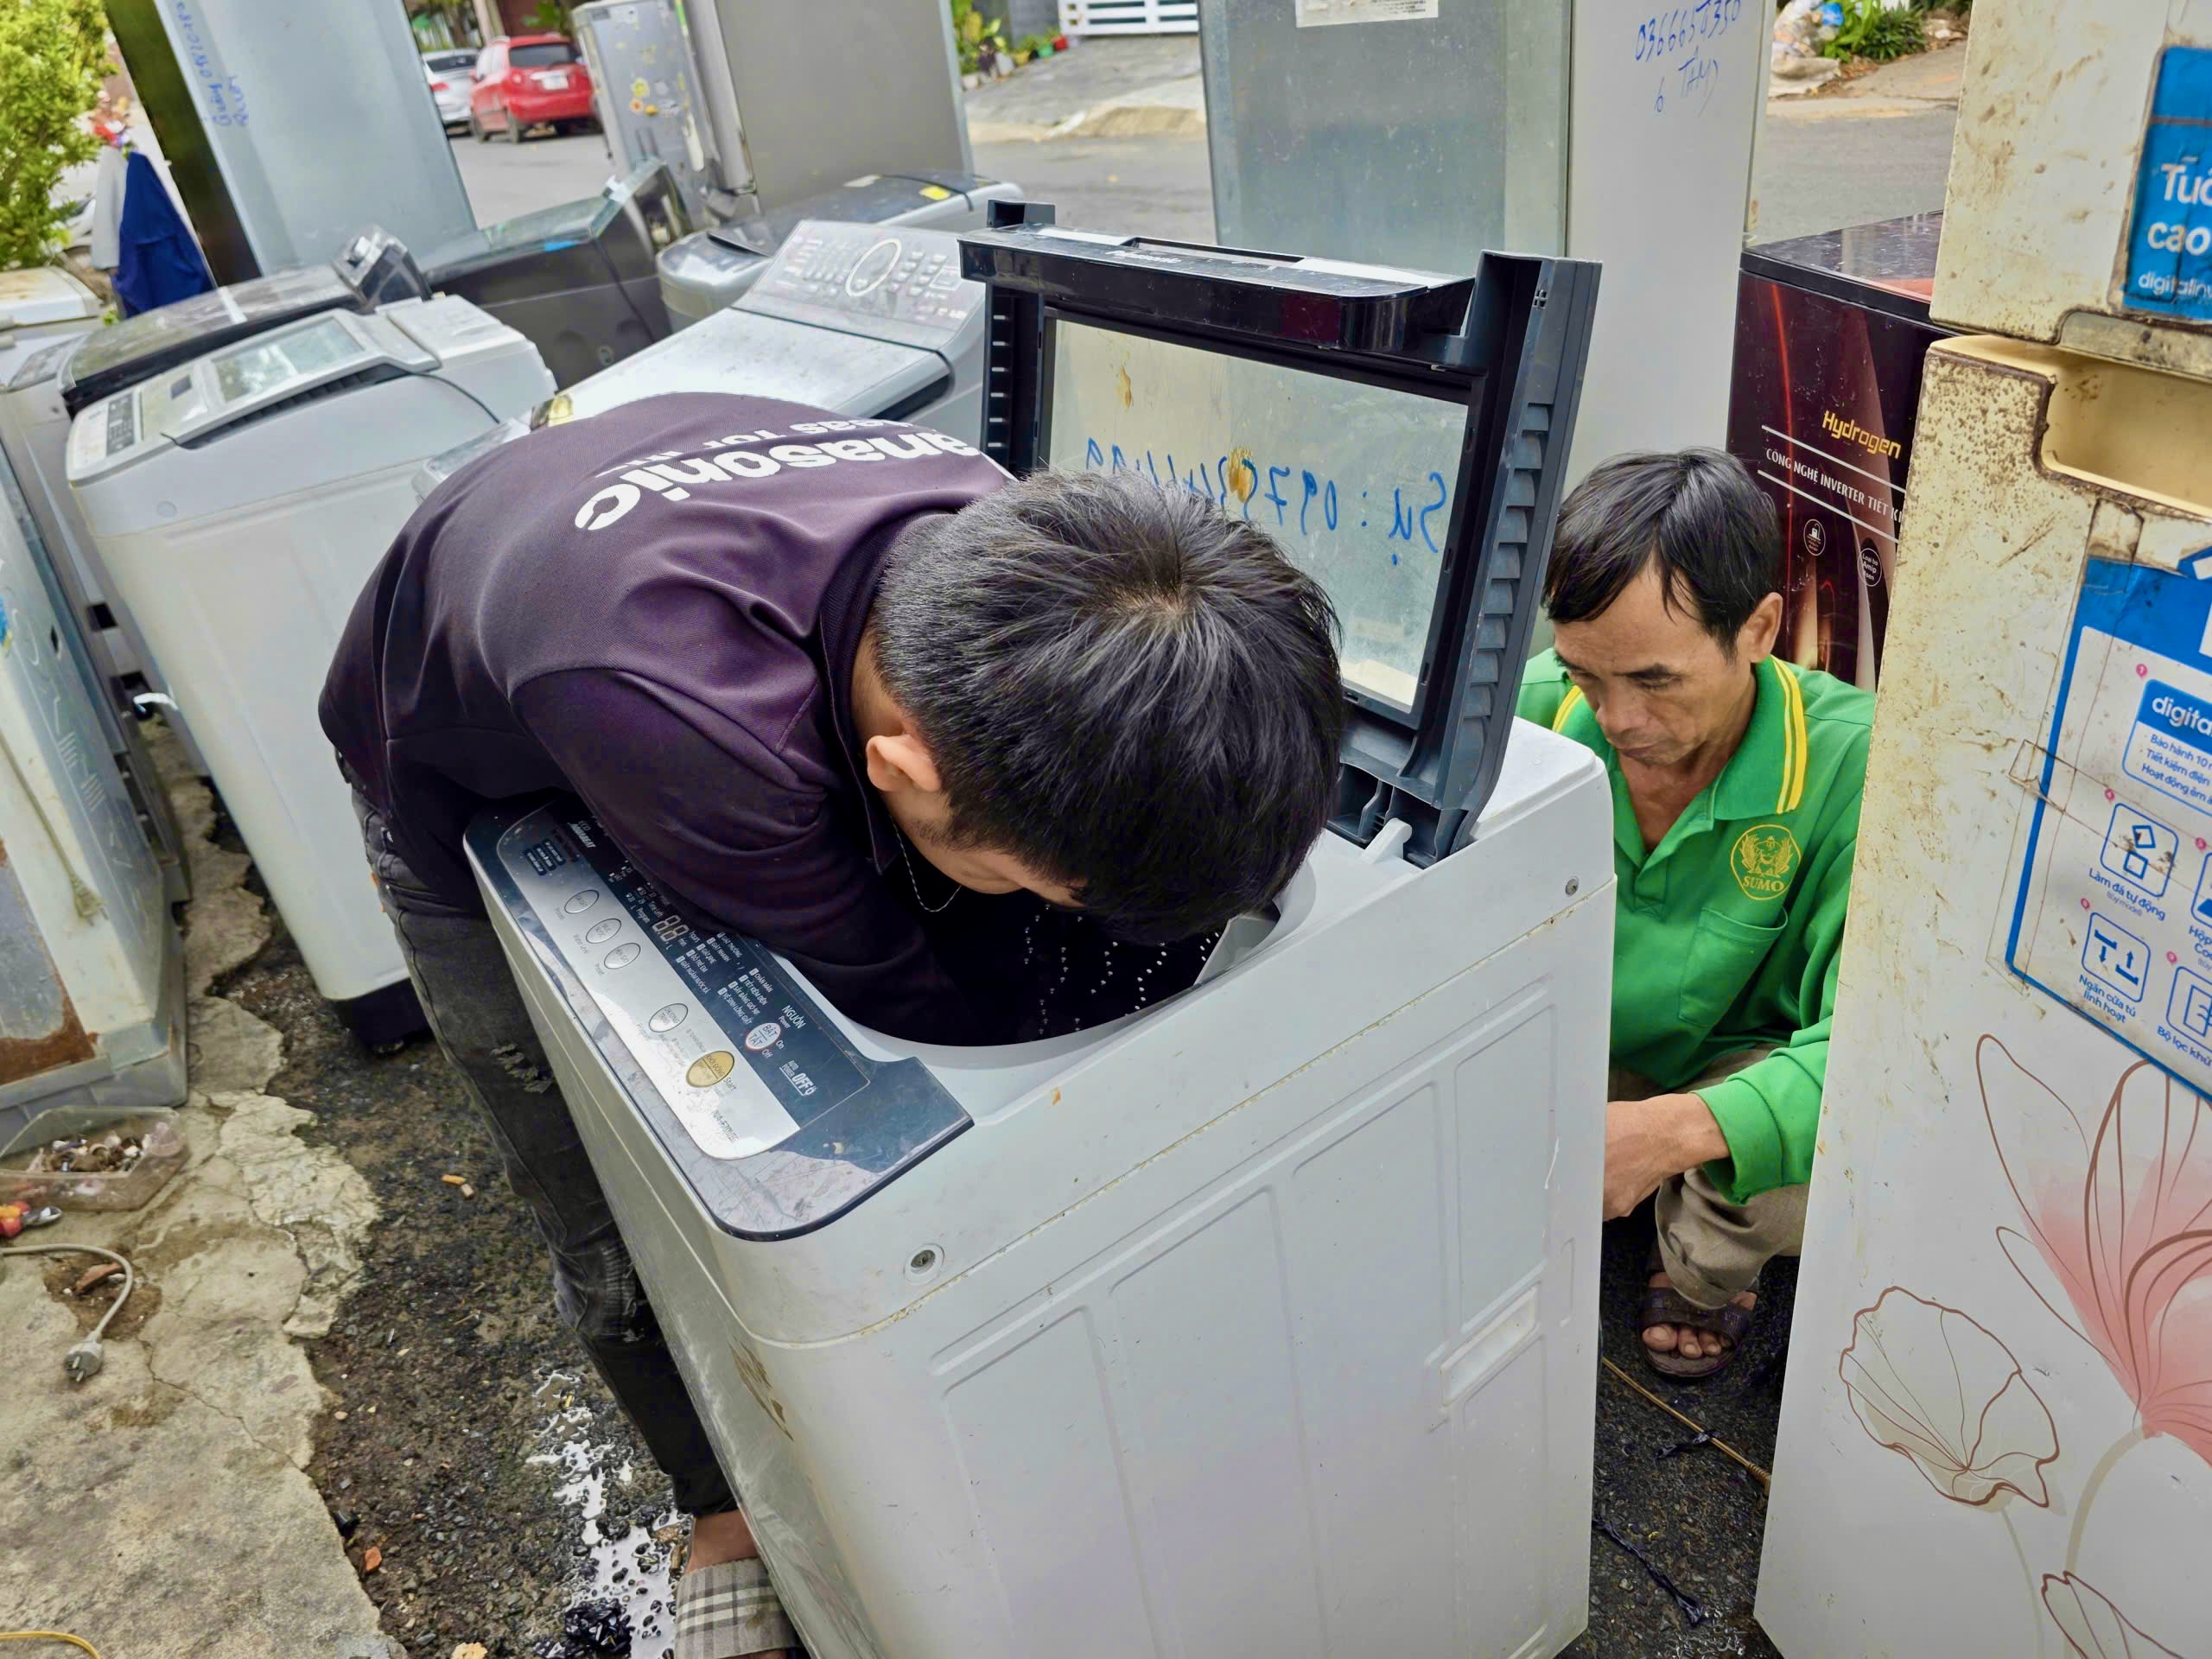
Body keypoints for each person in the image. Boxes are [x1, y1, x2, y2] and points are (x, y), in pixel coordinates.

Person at [321, 393, 1345, 1658]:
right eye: (1039, 880)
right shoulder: (690, 726)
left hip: (607, 561)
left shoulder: (1023, 547)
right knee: (604, 1187)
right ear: (902, 773)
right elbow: (903, 1006)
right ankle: (723, 1515)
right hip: (469, 765)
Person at [1516, 449, 1872, 1380]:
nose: (1617, 718)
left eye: (1655, 680)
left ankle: (1705, 1268)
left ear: (1757, 628)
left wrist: (1675, 1132)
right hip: (1577, 1034)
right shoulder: (1534, 717)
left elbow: (1883, 1045)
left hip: (1732, 1064)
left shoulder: (1860, 766)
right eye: (1586, 675)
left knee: (1784, 1170)